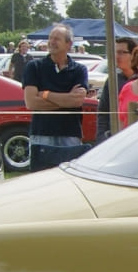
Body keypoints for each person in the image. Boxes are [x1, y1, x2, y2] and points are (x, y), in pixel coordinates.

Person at [24, 24, 90, 170]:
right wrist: (67, 99)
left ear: (69, 44)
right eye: (50, 38)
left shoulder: (79, 70)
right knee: (40, 181)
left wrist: (46, 94)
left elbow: (77, 101)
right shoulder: (34, 67)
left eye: (57, 39)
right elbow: (31, 102)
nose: (52, 42)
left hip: (70, 135)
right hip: (42, 134)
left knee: (70, 180)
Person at [95, 35, 137, 142]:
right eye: (115, 52)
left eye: (122, 52)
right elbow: (103, 112)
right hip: (114, 139)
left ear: (133, 54)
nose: (117, 56)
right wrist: (101, 137)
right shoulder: (113, 81)